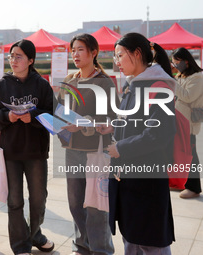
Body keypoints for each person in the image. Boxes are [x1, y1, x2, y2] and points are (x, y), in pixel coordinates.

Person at [97, 32, 176, 255]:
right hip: (131, 179)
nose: (116, 61)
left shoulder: (157, 87)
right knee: (132, 236)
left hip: (147, 178)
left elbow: (159, 133)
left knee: (151, 242)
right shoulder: (135, 85)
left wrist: (120, 148)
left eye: (120, 55)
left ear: (137, 53)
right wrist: (113, 127)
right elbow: (136, 122)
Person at [0, 39, 55, 255]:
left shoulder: (42, 85)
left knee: (38, 199)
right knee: (14, 201)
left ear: (30, 60)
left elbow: (54, 117)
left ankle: (35, 235)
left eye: (18, 56)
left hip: (36, 152)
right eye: (11, 56)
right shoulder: (2, 86)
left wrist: (32, 116)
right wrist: (8, 116)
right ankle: (20, 246)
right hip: (9, 153)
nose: (13, 60)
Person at [57, 33, 117, 255]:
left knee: (96, 206)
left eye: (80, 49)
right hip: (72, 150)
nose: (75, 54)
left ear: (94, 52)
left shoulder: (104, 82)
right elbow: (60, 110)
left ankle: (101, 250)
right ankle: (82, 246)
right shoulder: (69, 81)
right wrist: (57, 123)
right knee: (75, 204)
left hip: (95, 151)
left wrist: (83, 124)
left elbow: (113, 118)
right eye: (73, 50)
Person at [172, 47, 203, 198]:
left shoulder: (198, 77)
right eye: (174, 62)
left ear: (186, 61)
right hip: (178, 120)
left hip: (188, 122)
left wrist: (172, 82)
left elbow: (188, 96)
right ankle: (182, 182)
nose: (175, 65)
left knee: (191, 154)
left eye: (177, 62)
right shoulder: (181, 75)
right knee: (179, 153)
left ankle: (194, 187)